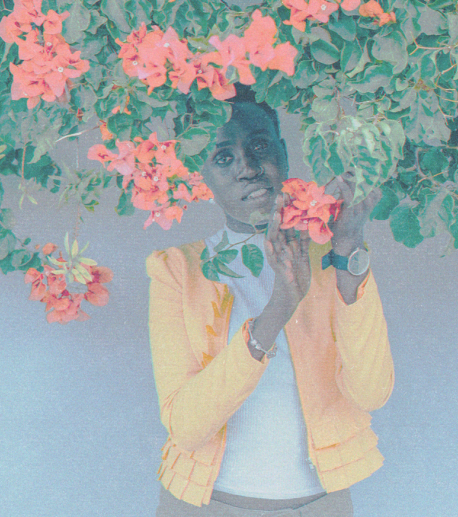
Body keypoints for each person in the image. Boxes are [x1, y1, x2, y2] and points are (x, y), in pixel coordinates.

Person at [147, 86, 394, 516]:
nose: (246, 168)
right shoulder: (177, 270)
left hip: (320, 506)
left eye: (259, 146)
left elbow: (371, 393)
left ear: (282, 151)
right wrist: (280, 306)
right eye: (223, 157)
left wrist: (348, 248)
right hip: (204, 506)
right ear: (199, 173)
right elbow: (186, 427)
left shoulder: (332, 259)